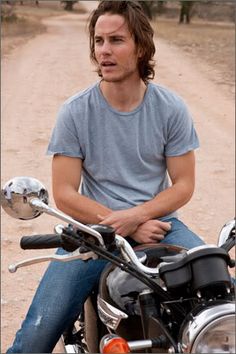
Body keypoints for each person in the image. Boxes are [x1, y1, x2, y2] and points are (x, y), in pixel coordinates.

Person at [7, 1, 204, 352]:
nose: (104, 51)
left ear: (141, 46)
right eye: (99, 41)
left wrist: (137, 216)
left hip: (160, 224)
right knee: (35, 337)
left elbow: (184, 185)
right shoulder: (76, 111)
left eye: (116, 40)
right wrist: (119, 226)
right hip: (90, 233)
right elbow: (65, 194)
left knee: (219, 297)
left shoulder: (170, 108)